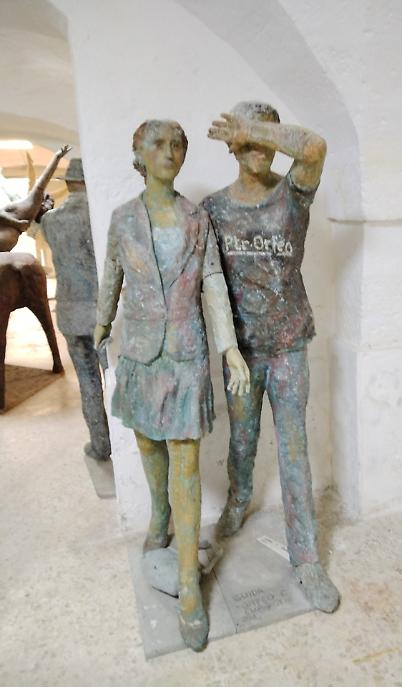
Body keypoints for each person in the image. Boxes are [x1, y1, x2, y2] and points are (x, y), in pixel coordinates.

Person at [94, 120, 249, 652]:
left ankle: (188, 583)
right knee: (147, 444)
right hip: (139, 351)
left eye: (178, 145)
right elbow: (112, 274)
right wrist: (100, 322)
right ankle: (158, 515)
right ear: (138, 154)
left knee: (185, 458)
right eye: (158, 144)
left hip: (185, 352)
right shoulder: (122, 219)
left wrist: (228, 347)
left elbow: (213, 282)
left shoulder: (197, 219)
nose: (170, 152)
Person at [202, 101, 339, 613]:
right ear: (232, 147)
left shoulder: (292, 194)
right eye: (247, 139)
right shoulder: (214, 209)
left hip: (289, 344)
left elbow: (315, 148)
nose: (258, 145)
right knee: (242, 438)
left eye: (266, 136)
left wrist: (255, 128)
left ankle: (305, 559)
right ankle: (238, 501)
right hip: (241, 350)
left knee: (293, 447)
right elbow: (210, 284)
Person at [39, 158, 111, 461]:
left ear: (68, 184)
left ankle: (100, 445)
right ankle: (127, 450)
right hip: (102, 314)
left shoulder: (51, 220)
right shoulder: (102, 215)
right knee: (115, 379)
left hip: (70, 314)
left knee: (88, 381)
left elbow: (39, 226)